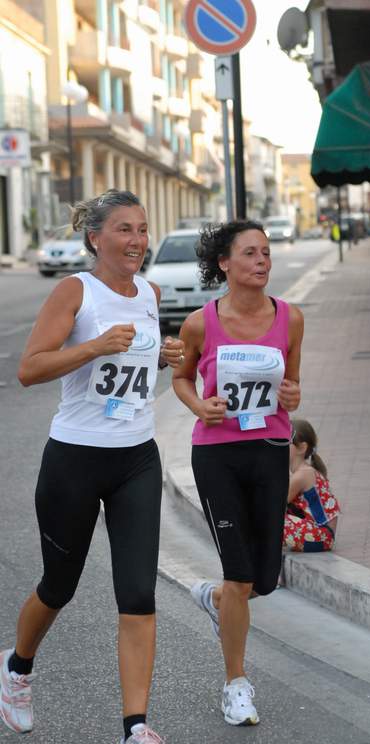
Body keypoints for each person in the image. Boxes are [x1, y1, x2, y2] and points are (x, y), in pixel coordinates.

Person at [0, 189, 184, 744]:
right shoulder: (74, 290)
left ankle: (136, 727)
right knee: (60, 585)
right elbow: (29, 369)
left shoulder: (151, 294)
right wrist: (95, 346)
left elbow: (136, 365)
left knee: (138, 593)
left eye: (143, 229)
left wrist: (163, 355)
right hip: (75, 459)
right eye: (125, 229)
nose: (137, 241)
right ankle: (17, 668)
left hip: (136, 457)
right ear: (95, 238)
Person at [171, 220, 303, 726]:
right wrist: (199, 407)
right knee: (240, 572)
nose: (261, 261)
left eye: (266, 252)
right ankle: (236, 684)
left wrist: (293, 396)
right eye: (250, 253)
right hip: (218, 455)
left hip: (270, 448)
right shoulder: (201, 323)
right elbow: (182, 377)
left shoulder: (290, 319)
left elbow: (292, 385)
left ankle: (215, 599)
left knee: (262, 581)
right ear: (224, 263)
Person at [283, 419, 340, 553]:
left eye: (285, 441)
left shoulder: (302, 475)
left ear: (302, 447)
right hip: (321, 535)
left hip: (322, 536)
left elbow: (276, 504)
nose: (279, 445)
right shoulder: (305, 471)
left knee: (269, 517)